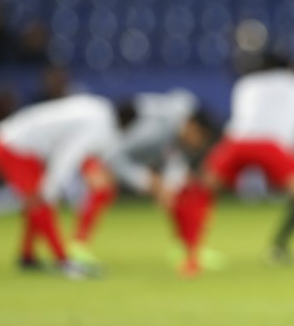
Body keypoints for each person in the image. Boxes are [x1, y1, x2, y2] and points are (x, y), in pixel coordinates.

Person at [183, 53, 294, 276]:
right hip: (272, 145)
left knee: (201, 191)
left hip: (236, 142)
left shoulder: (246, 83)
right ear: (290, 68)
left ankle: (189, 253)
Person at [67, 89, 218, 269]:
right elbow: (114, 155)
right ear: (191, 125)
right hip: (94, 147)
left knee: (178, 192)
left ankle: (185, 248)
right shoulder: (155, 130)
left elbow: (172, 165)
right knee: (103, 188)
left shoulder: (178, 134)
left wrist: (165, 187)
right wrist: (144, 180)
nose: (198, 145)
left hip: (116, 154)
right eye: (199, 138)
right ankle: (77, 247)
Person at [0, 94, 134, 278]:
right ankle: (63, 262)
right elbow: (67, 154)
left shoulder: (100, 108)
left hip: (14, 138)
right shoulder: (99, 125)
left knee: (36, 202)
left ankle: (27, 256)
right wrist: (51, 188)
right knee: (41, 202)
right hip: (14, 145)